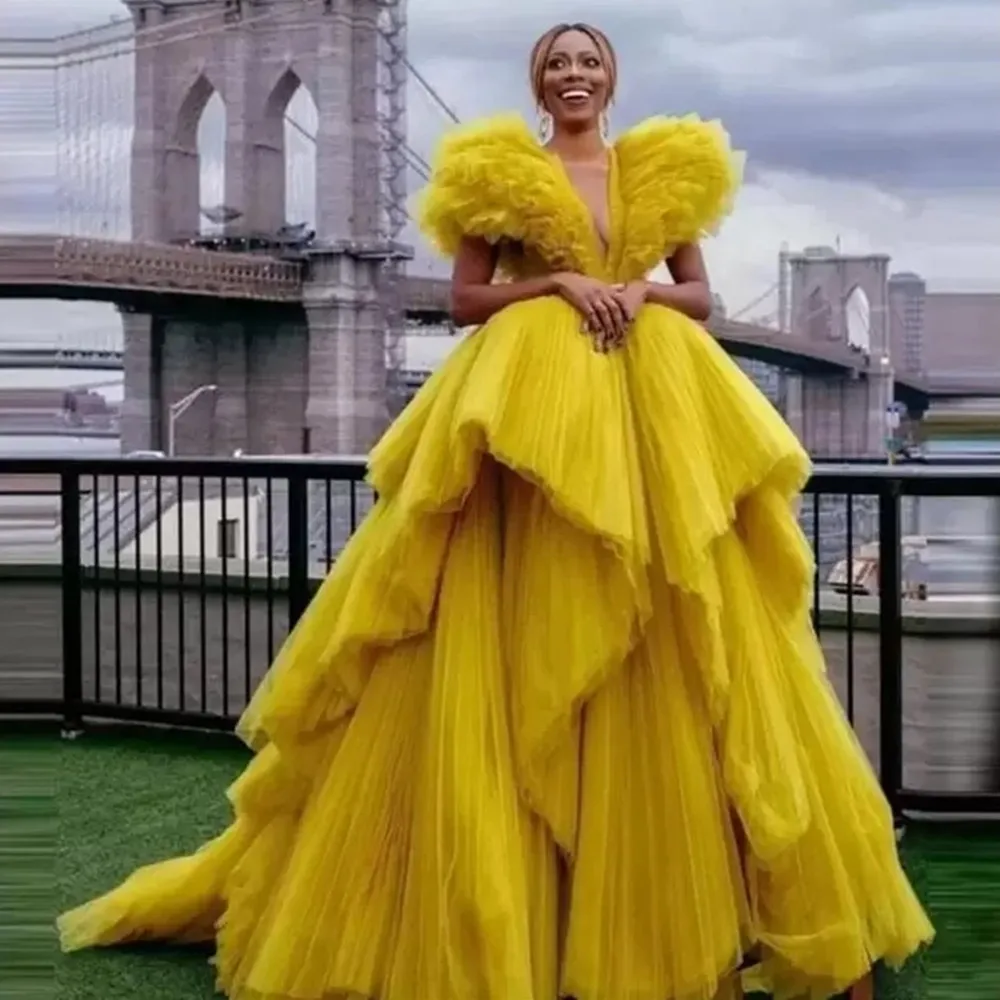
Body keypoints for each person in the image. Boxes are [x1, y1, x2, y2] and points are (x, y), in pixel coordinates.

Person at [59, 21, 933, 1000]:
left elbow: (698, 294)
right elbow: (469, 300)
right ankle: (534, 926)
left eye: (589, 62)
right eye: (557, 64)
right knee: (507, 630)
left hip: (654, 417)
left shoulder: (660, 169)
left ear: (610, 77)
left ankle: (723, 913)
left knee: (686, 630)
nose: (573, 76)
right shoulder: (492, 171)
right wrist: (558, 282)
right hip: (525, 424)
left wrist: (637, 294)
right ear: (539, 79)